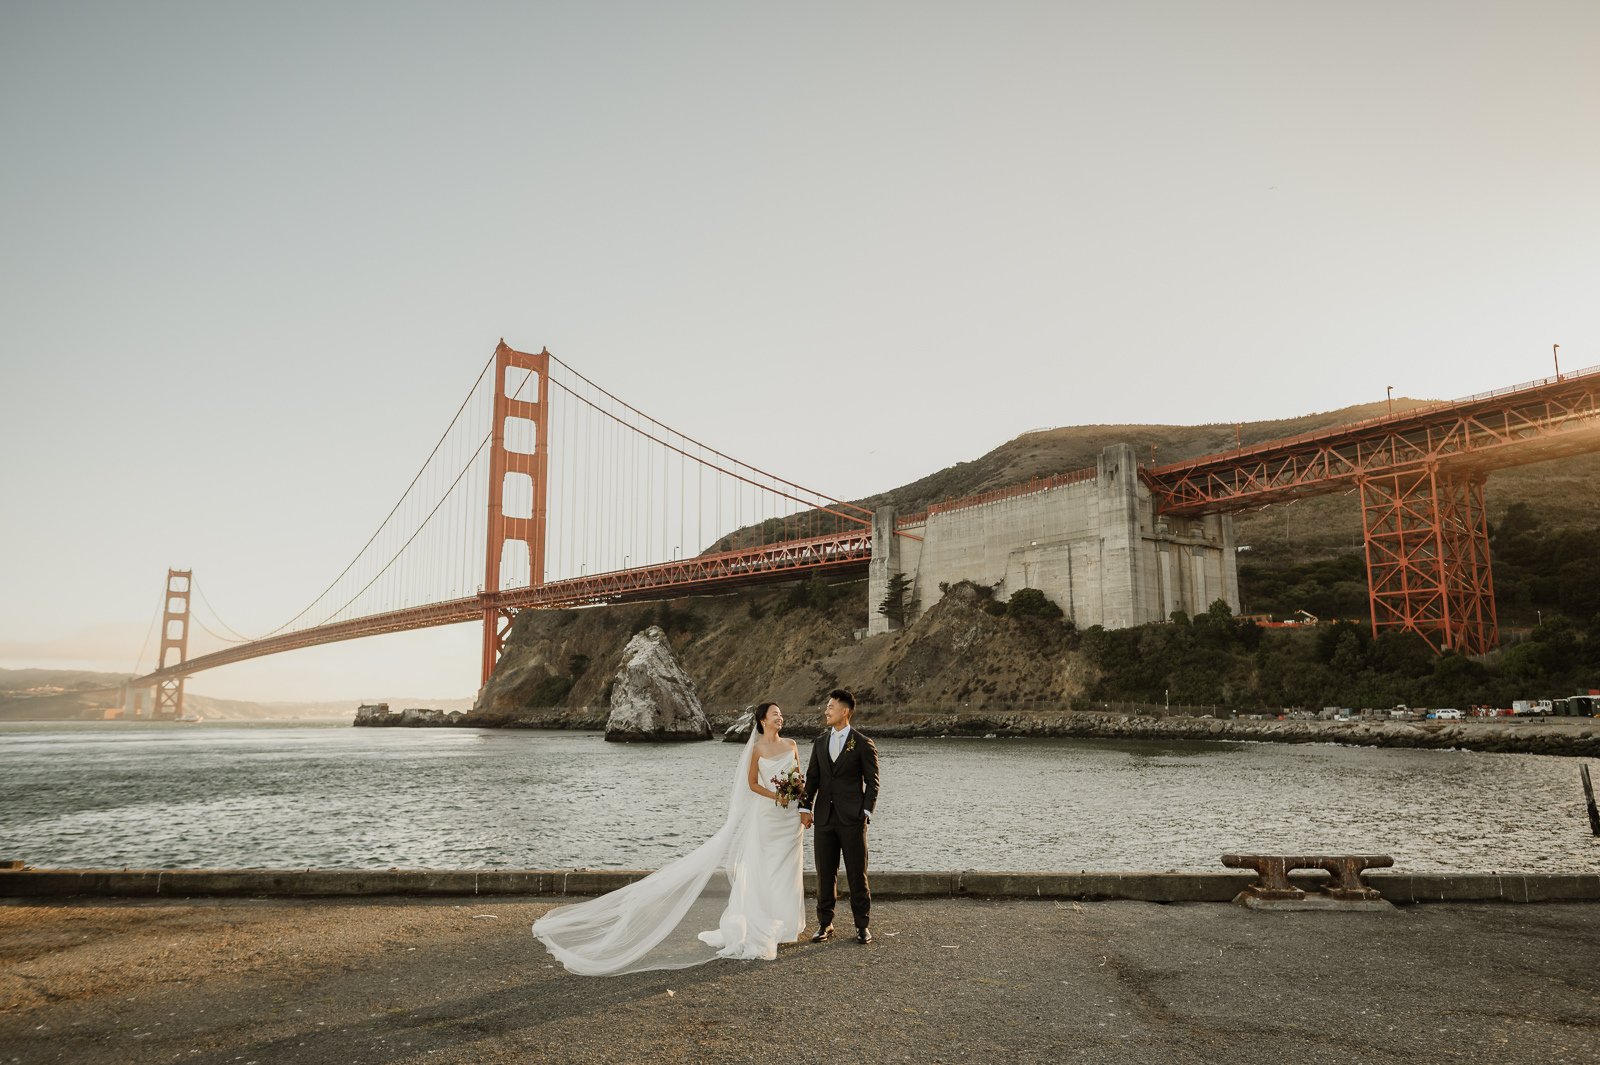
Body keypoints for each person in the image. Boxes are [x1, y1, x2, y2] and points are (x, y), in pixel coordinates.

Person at [531, 702, 805, 975]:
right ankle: (766, 921)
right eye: (775, 714)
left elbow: (800, 779)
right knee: (762, 869)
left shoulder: (791, 745)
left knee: (786, 870)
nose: (780, 718)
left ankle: (787, 923)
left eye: (781, 714)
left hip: (790, 818)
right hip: (766, 817)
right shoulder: (756, 750)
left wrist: (800, 802)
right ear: (762, 720)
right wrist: (776, 795)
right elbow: (752, 784)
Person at [799, 688, 880, 944]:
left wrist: (865, 812)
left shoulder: (862, 743)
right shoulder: (820, 742)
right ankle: (825, 924)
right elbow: (812, 778)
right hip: (824, 817)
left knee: (857, 874)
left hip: (852, 819)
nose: (826, 711)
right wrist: (805, 808)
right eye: (826, 707)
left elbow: (873, 782)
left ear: (845, 711)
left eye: (830, 707)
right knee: (825, 873)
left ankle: (862, 926)